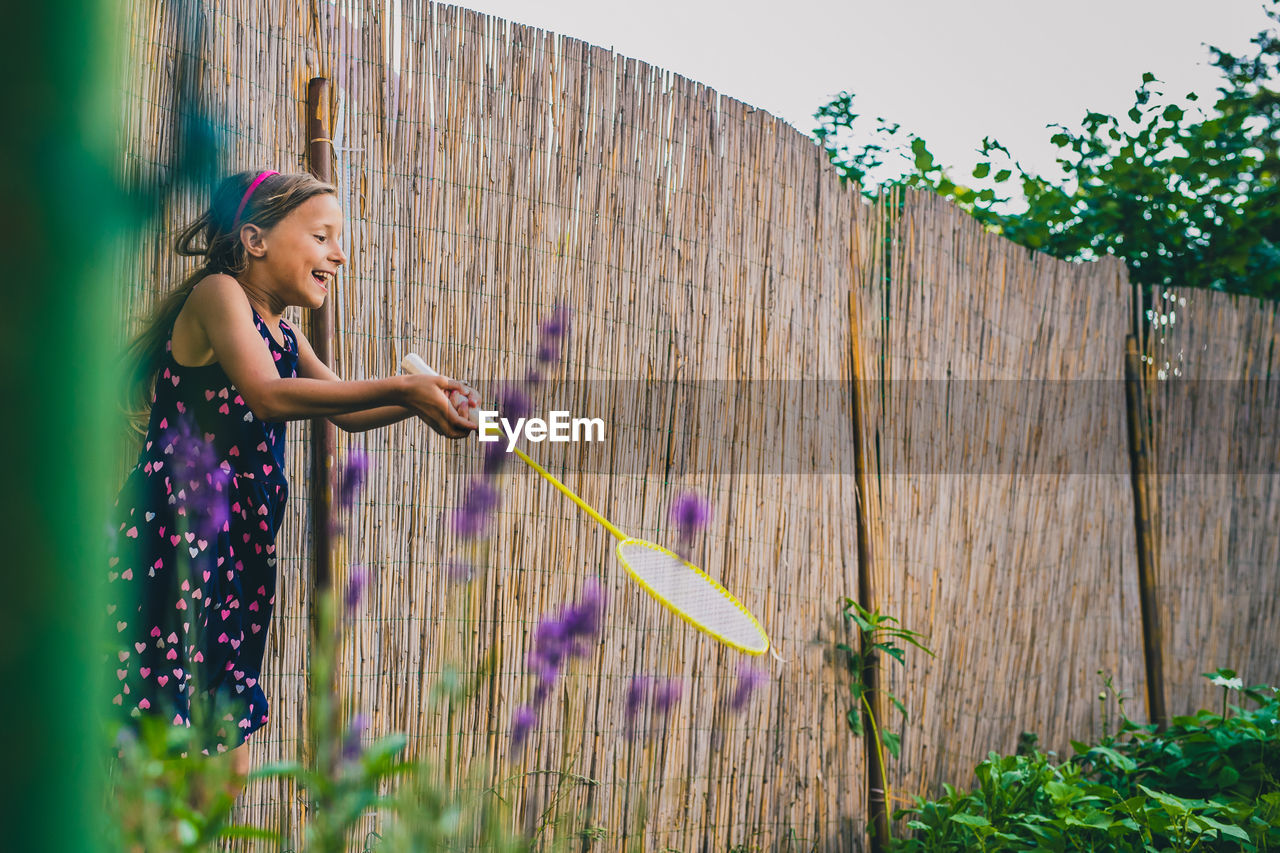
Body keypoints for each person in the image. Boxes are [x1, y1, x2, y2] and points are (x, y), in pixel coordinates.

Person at [104, 169, 478, 803]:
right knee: (157, 759)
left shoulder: (285, 332)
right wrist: (404, 388)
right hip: (174, 550)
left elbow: (346, 410)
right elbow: (268, 395)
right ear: (254, 239)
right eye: (323, 236)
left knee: (222, 770)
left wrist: (425, 401)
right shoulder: (219, 295)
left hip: (236, 561)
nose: (339, 253)